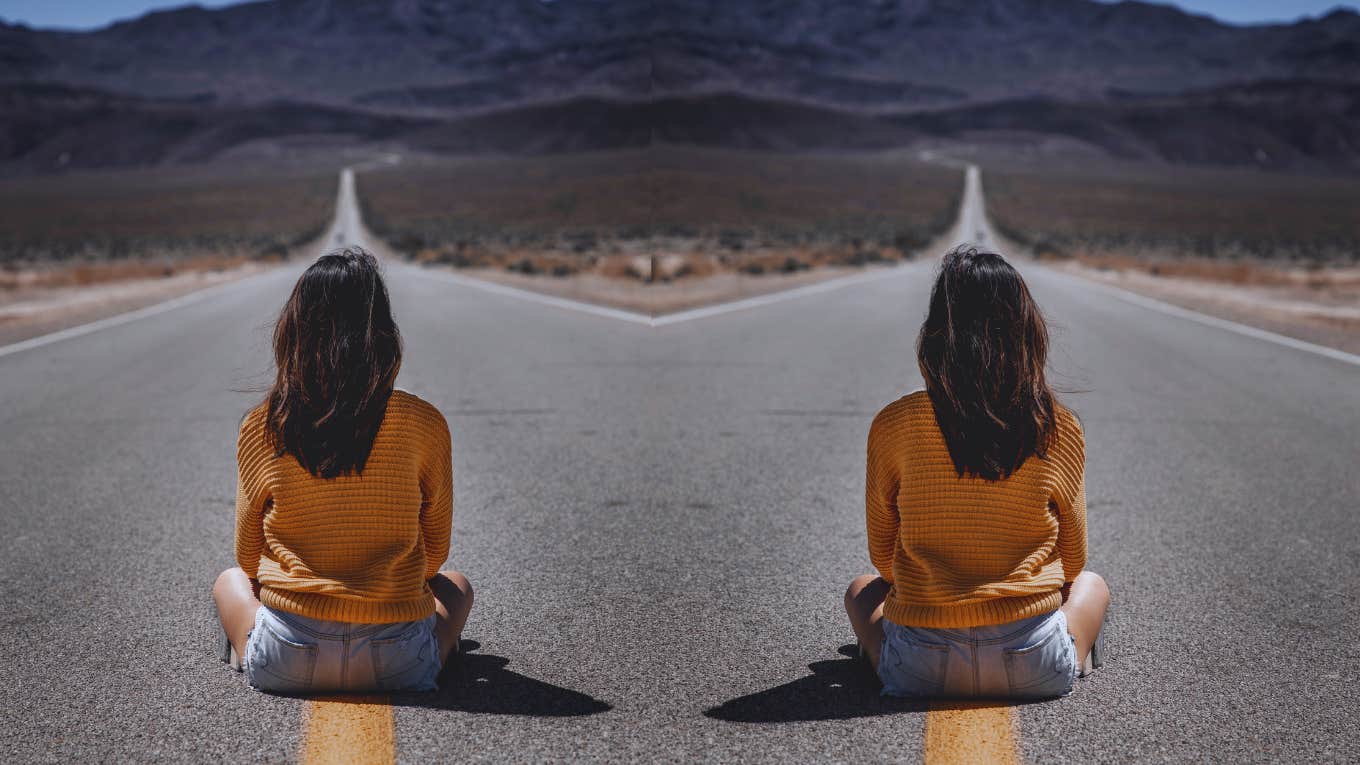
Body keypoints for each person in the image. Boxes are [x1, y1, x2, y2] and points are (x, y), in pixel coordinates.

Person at [844, 245, 1109, 699]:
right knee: (1092, 584)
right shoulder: (1057, 424)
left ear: (936, 333)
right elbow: (1074, 559)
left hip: (921, 667)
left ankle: (885, 659)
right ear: (1026, 330)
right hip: (1032, 662)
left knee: (860, 589)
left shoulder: (894, 422)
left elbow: (883, 557)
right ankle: (1071, 655)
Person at [212, 247, 473, 694]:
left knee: (228, 580)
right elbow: (435, 554)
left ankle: (249, 648)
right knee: (457, 586)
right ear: (383, 333)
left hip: (288, 658)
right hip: (397, 661)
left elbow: (246, 556)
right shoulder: (424, 421)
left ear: (294, 332)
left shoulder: (264, 424)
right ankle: (434, 655)